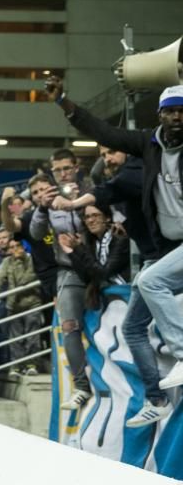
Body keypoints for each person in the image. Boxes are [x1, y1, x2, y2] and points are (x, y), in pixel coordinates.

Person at [49, 142, 169, 425]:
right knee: (82, 328)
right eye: (86, 216)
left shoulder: (119, 225)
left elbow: (101, 272)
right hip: (101, 286)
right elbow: (42, 240)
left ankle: (158, 396)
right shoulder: (89, 235)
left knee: (137, 329)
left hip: (153, 263)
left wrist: (76, 207)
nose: (90, 219)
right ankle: (83, 386)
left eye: (94, 214)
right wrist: (71, 250)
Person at [29, 150, 95, 411]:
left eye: (67, 168)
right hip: (69, 270)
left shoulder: (90, 188)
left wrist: (77, 202)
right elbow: (35, 233)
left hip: (99, 267)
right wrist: (42, 208)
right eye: (57, 170)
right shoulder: (49, 199)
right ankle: (81, 386)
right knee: (69, 325)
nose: (63, 174)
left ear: (76, 167)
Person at [0, 239, 45, 377]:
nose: (15, 249)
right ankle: (17, 365)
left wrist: (17, 286)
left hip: (32, 302)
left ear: (24, 247)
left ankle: (32, 364)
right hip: (14, 304)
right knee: (15, 338)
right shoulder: (7, 262)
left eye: (18, 246)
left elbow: (30, 276)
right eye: (12, 247)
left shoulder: (33, 259)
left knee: (32, 335)